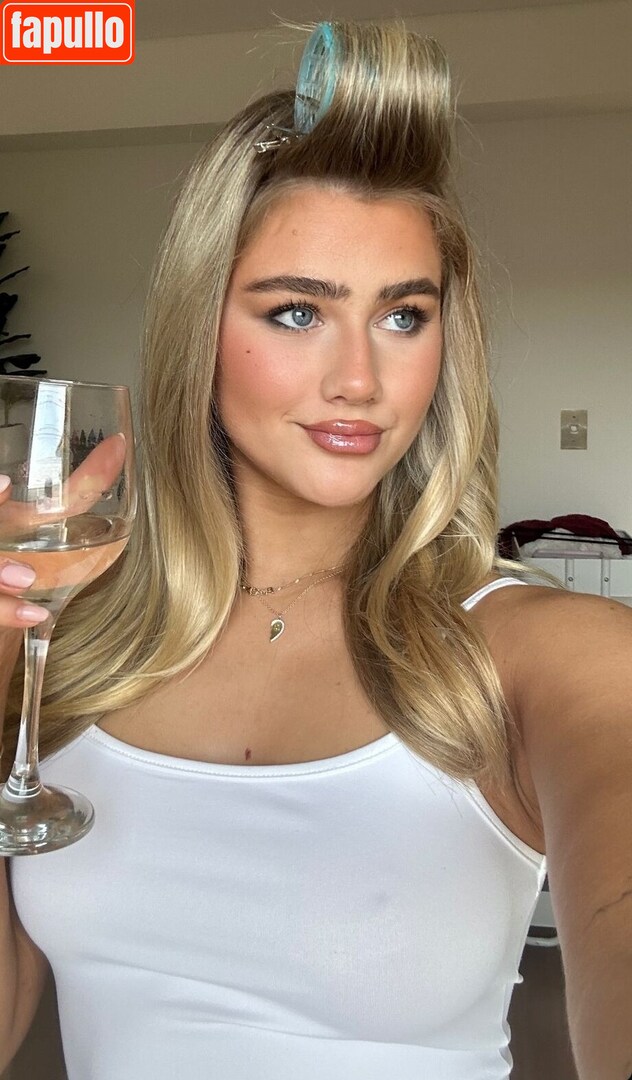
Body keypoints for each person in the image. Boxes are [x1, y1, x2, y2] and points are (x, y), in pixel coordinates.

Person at [1, 19, 631, 1080]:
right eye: (297, 312)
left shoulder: (548, 655)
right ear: (200, 330)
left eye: (403, 316)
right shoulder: (69, 640)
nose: (359, 381)